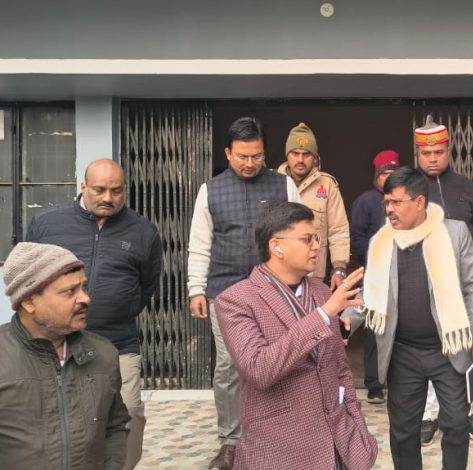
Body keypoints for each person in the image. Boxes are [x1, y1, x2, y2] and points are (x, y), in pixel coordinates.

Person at [347, 167, 473, 470]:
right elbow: (369, 290)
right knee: (403, 432)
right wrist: (345, 321)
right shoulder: (382, 241)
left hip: (448, 348)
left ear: (420, 202)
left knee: (457, 424)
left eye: (396, 202)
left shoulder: (455, 233)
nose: (389, 209)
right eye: (387, 202)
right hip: (403, 352)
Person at [215, 202, 378, 469]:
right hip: (279, 446)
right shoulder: (237, 300)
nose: (316, 247)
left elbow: (340, 368)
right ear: (276, 246)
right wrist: (323, 315)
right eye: (306, 239)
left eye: (317, 239)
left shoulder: (321, 291)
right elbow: (259, 369)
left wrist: (356, 422)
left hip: (337, 441)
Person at [26, 159, 161, 470]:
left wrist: (116, 309)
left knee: (130, 412)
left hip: (118, 341)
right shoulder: (47, 224)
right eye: (99, 190)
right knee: (58, 417)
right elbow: (29, 278)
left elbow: (147, 285)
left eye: (116, 191)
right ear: (83, 186)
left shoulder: (142, 231)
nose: (108, 198)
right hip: (55, 342)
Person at [188, 117, 301, 469]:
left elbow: (301, 238)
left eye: (256, 156)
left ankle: (278, 433)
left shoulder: (284, 186)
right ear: (228, 153)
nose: (250, 163)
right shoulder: (210, 191)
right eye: (242, 156)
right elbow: (199, 245)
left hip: (276, 293)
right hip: (225, 293)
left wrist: (300, 286)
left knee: (280, 362)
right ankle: (231, 441)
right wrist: (196, 289)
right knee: (229, 367)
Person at [0, 242, 130, 469]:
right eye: (70, 291)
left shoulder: (103, 354)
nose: (85, 299)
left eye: (84, 287)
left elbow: (115, 427)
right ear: (29, 301)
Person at [414, 115, 473, 444]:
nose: (433, 158)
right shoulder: (409, 187)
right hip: (424, 283)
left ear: (448, 150)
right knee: (429, 348)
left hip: (464, 281)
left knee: (465, 346)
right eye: (426, 153)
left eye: (438, 152)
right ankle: (428, 415)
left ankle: (465, 410)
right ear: (418, 154)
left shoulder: (464, 185)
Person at [350, 149, 401, 405]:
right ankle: (374, 385)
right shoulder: (365, 201)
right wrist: (378, 253)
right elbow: (356, 238)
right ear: (377, 175)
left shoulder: (405, 200)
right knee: (374, 327)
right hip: (376, 273)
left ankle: (400, 382)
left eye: (393, 172)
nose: (388, 177)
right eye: (384, 173)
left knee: (403, 329)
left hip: (404, 274)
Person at [278, 122, 350, 289]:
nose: (300, 160)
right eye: (295, 153)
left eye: (306, 154)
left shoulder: (327, 185)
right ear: (287, 156)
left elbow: (338, 230)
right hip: (279, 273)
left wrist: (339, 268)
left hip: (314, 275)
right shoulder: (274, 182)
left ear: (316, 158)